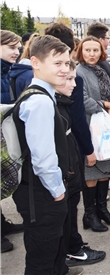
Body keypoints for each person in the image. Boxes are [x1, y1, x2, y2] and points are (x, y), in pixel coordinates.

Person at [11, 35, 83, 275]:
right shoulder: (40, 101)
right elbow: (43, 157)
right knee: (41, 258)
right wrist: (58, 190)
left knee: (50, 249)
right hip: (40, 193)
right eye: (57, 63)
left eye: (66, 63)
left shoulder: (41, 94)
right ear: (35, 62)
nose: (64, 69)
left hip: (38, 191)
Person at [55, 60, 106, 268]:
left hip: (69, 154)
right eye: (68, 78)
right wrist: (88, 149)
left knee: (70, 206)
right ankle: (72, 251)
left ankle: (71, 247)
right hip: (65, 160)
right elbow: (77, 121)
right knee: (67, 207)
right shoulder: (42, 100)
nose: (74, 83)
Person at [76, 36, 110, 231]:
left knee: (105, 171)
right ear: (81, 51)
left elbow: (109, 96)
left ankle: (103, 210)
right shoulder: (79, 72)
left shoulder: (101, 71)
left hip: (104, 128)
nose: (92, 54)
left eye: (95, 50)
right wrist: (107, 106)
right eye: (88, 50)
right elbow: (84, 101)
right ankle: (90, 214)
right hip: (89, 128)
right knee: (91, 174)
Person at [0, 30, 24, 253]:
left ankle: (1, 224)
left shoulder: (5, 71)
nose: (17, 52)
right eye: (11, 48)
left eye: (18, 48)